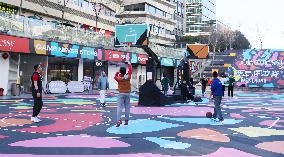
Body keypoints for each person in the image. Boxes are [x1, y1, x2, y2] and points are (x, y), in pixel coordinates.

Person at [114, 62, 132, 127]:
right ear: (125, 71)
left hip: (121, 93)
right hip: (127, 93)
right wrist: (129, 64)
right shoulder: (128, 77)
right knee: (127, 107)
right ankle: (126, 121)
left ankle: (119, 120)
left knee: (119, 107)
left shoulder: (119, 78)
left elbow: (115, 76)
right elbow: (130, 70)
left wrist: (117, 71)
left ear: (120, 72)